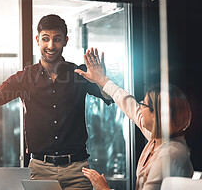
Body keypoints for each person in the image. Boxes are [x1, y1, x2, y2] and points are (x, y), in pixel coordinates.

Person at [0, 14, 112, 189]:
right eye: (46, 39)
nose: (51, 45)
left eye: (57, 39)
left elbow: (109, 96)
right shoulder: (24, 78)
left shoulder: (79, 74)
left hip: (77, 170)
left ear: (65, 41)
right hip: (40, 170)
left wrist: (101, 80)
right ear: (38, 40)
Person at [77, 48, 194, 190]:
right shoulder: (157, 139)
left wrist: (104, 189)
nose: (139, 108)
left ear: (156, 115)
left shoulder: (168, 156)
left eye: (143, 104)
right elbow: (129, 105)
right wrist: (103, 80)